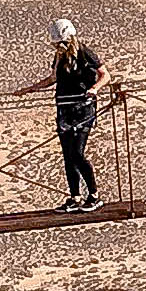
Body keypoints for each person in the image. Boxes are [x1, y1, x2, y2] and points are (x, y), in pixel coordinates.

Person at [47, 15, 106, 206]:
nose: (59, 47)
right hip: (65, 109)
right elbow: (53, 78)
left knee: (77, 153)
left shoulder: (85, 53)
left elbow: (106, 75)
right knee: (68, 155)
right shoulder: (59, 57)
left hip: (83, 109)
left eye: (62, 43)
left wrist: (94, 89)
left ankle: (94, 195)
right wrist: (29, 90)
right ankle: (75, 197)